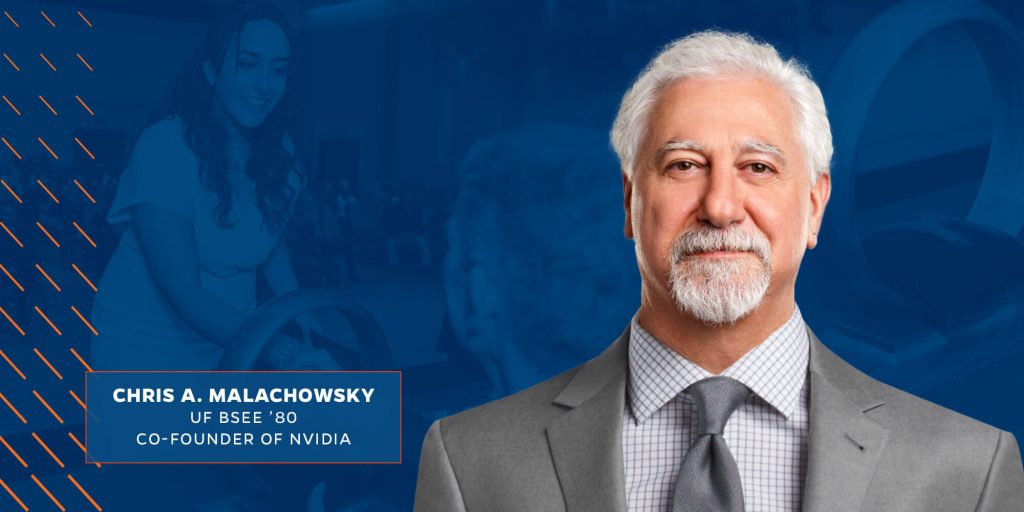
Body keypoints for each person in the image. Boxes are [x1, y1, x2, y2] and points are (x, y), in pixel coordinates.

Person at [414, 31, 1024, 511]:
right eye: (683, 165)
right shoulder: (461, 461)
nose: (721, 205)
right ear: (629, 204)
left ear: (815, 206)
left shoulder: (971, 467)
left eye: (758, 167)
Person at [91, 1, 333, 371]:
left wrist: (297, 308)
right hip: (141, 345)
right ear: (210, 70)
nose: (264, 85)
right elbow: (183, 289)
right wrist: (281, 349)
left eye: (278, 69)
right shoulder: (166, 146)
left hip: (230, 339)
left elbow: (268, 236)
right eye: (248, 64)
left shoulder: (281, 151)